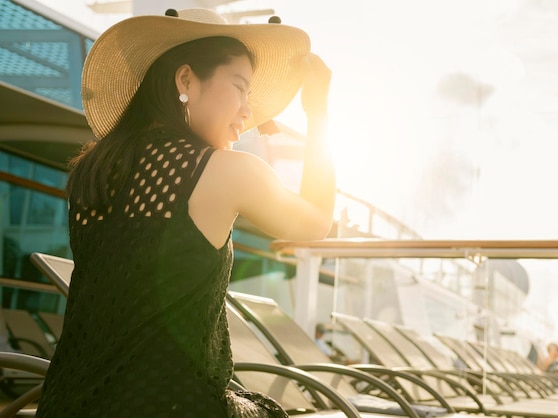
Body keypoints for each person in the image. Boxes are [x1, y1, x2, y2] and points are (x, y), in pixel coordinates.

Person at [35, 8, 334, 418]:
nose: (249, 112)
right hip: (173, 405)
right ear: (186, 80)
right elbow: (316, 223)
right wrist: (318, 114)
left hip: (67, 403)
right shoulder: (225, 170)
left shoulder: (95, 170)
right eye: (240, 88)